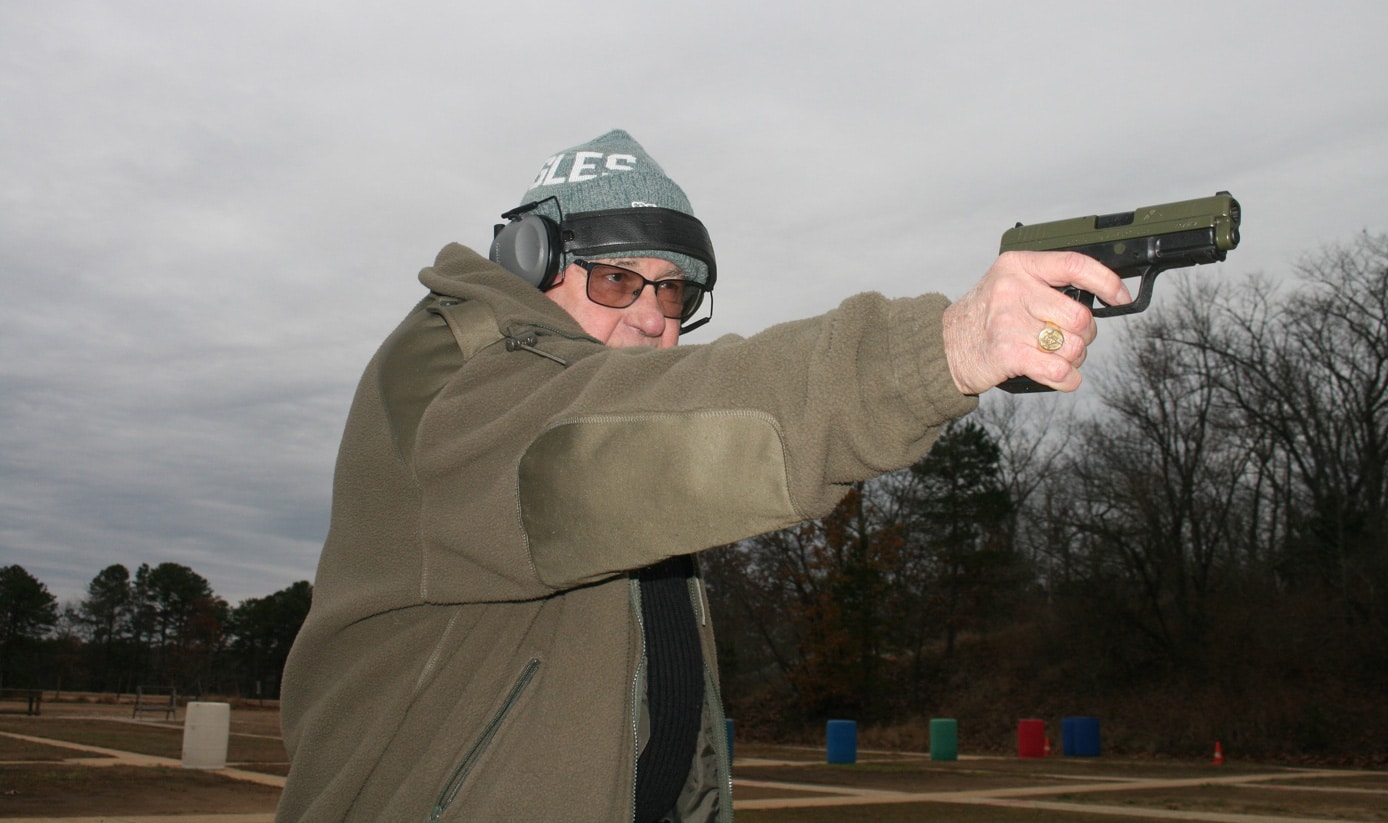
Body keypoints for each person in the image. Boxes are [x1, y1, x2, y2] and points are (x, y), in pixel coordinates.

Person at [277, 129, 1127, 822]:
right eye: (617, 280)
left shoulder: (626, 445)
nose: (653, 317)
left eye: (675, 293)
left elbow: (660, 720)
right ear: (529, 263)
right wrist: (943, 349)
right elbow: (580, 457)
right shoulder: (448, 377)